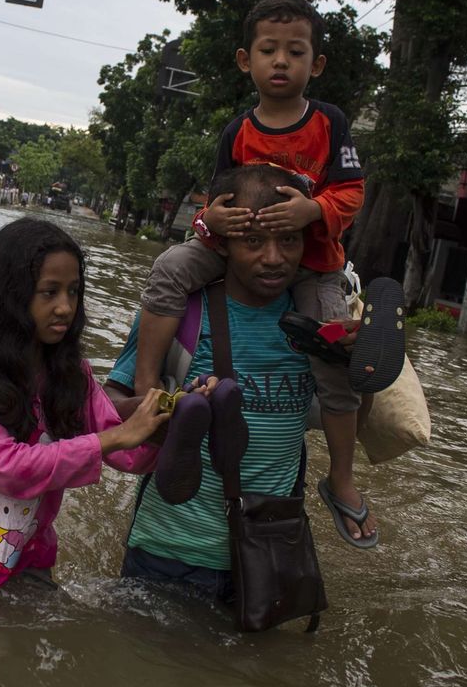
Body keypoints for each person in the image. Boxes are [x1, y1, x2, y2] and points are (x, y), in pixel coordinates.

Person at [131, 0, 378, 547]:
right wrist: (210, 219)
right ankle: (146, 391)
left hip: (312, 264)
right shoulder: (237, 132)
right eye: (269, 50)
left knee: (337, 364)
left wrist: (313, 210)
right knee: (170, 268)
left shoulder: (331, 123)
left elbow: (353, 191)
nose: (281, 61)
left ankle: (340, 476)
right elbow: (215, 199)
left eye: (295, 51)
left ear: (315, 64)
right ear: (247, 60)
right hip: (234, 249)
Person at [0, 219, 173, 595]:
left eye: (73, 291)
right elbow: (4, 467)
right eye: (49, 292)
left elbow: (129, 455)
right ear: (11, 294)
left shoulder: (73, 374)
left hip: (30, 552)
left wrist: (171, 415)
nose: (65, 307)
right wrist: (112, 438)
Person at [109, 164, 317, 597]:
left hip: (268, 554)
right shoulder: (178, 313)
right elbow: (110, 403)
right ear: (222, 243)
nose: (274, 258)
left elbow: (352, 416)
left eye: (289, 240)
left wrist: (364, 368)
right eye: (253, 241)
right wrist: (168, 409)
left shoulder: (317, 324)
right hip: (168, 551)